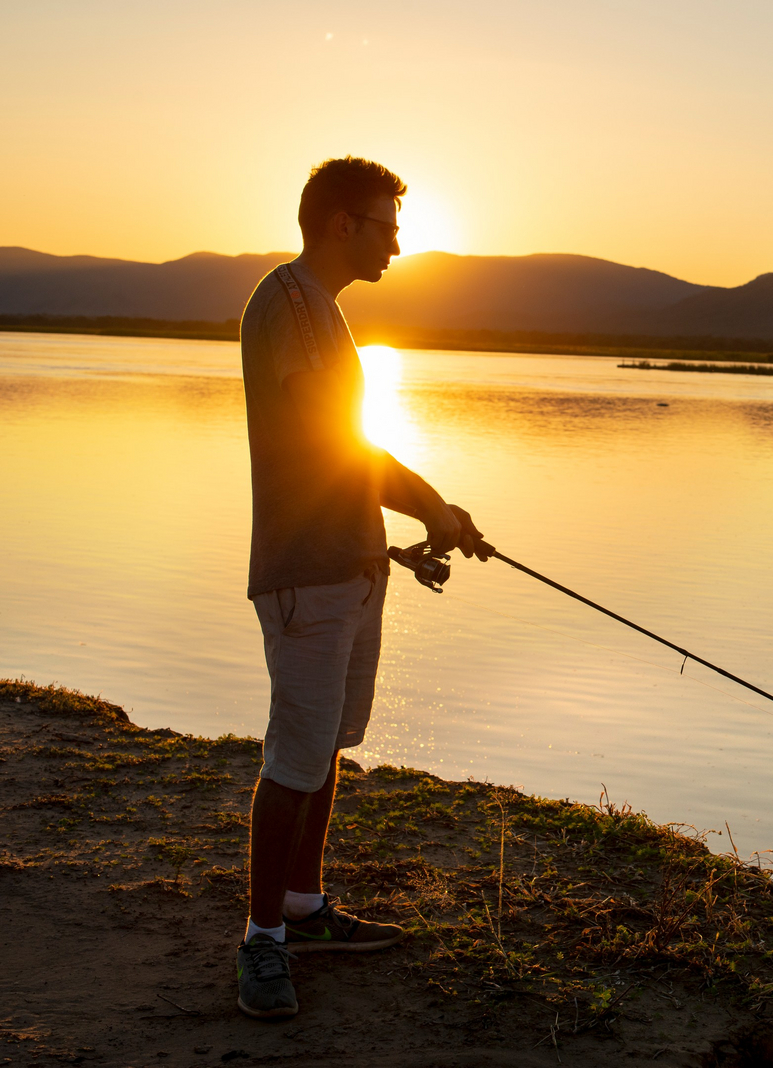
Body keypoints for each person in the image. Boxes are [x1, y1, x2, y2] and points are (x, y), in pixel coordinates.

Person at [234, 156, 493, 1019]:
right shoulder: (294, 307)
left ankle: (303, 909)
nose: (396, 241)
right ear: (341, 223)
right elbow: (332, 446)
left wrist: (400, 543)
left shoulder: (328, 316)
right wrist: (433, 503)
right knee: (293, 758)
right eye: (386, 225)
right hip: (305, 576)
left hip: (349, 566)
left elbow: (342, 463)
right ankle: (262, 940)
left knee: (328, 746)